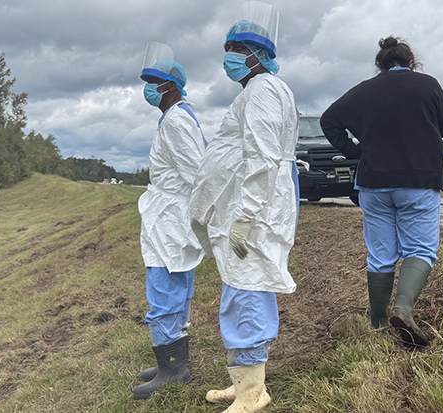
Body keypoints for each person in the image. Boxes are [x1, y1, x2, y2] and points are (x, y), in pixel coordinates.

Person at [190, 2, 298, 411]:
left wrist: (245, 216)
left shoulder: (263, 90)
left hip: (254, 211)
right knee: (242, 288)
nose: (230, 55)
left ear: (259, 55)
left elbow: (262, 158)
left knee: (246, 291)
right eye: (229, 47)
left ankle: (253, 394)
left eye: (240, 47)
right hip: (249, 207)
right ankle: (246, 381)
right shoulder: (261, 90)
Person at [320, 36, 443, 347]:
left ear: (380, 66)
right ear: (411, 63)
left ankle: (379, 323)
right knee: (419, 250)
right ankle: (403, 309)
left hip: (373, 182)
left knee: (381, 256)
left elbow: (329, 120)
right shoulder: (428, 85)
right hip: (419, 179)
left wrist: (353, 150)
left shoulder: (363, 90)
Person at [133, 42, 207, 400]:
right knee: (174, 286)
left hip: (171, 218)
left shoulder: (176, 121)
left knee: (163, 288)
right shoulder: (176, 118)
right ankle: (173, 359)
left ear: (172, 86)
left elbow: (196, 173)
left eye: (155, 81)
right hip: (171, 216)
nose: (149, 88)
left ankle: (172, 367)